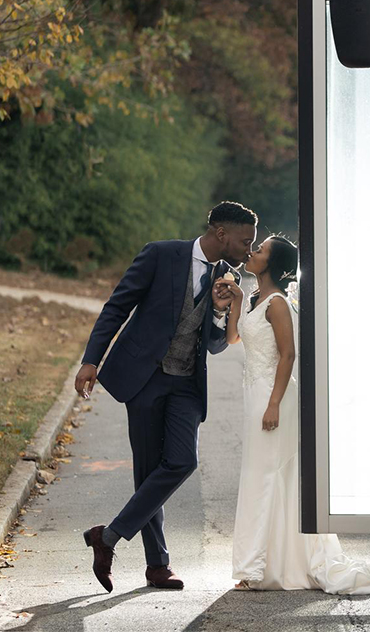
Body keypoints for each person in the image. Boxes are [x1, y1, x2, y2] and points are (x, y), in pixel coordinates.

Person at [73, 202, 257, 592]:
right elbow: (117, 307)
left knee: (181, 461)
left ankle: (106, 537)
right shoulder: (160, 254)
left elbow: (214, 345)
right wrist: (91, 360)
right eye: (245, 241)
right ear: (221, 233)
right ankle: (157, 566)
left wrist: (222, 312)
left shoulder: (228, 277)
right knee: (148, 471)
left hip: (187, 384)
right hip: (145, 378)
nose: (248, 249)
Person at [220, 235, 370, 593]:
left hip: (273, 395)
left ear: (272, 264)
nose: (252, 251)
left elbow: (288, 355)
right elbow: (234, 339)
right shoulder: (255, 299)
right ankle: (264, 563)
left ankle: (256, 567)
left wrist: (275, 402)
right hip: (255, 393)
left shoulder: (277, 303)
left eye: (259, 250)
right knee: (261, 474)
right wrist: (236, 302)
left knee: (267, 476)